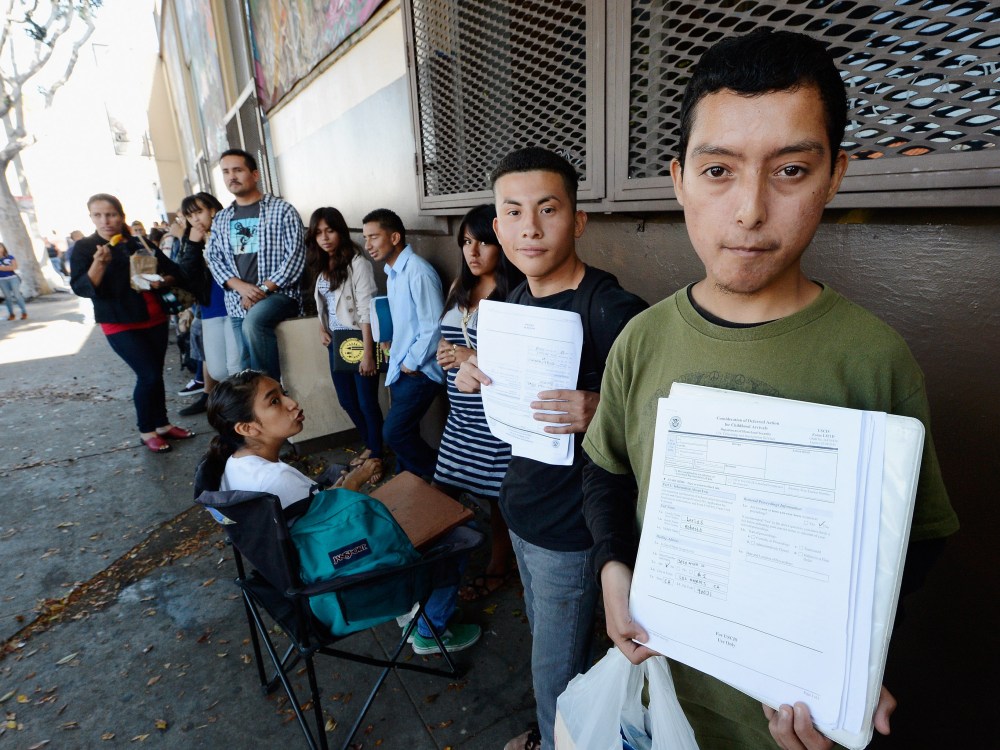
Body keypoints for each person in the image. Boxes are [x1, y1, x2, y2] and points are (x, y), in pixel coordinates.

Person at [580, 29, 961, 750]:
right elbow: (606, 466)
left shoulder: (873, 361)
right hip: (664, 692)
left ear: (835, 176)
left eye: (789, 170)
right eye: (719, 170)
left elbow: (920, 539)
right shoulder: (643, 340)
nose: (750, 209)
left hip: (787, 724)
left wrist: (851, 659)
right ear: (679, 178)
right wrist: (611, 565)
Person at [454, 148, 648, 750]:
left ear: (579, 220)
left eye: (547, 209)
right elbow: (512, 404)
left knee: (555, 675)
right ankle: (565, 736)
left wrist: (597, 409)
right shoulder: (510, 307)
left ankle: (555, 739)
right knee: (552, 649)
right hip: (521, 511)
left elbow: (664, 425)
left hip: (572, 531)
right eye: (511, 213)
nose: (529, 228)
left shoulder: (615, 313)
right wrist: (472, 371)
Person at [201, 369, 481, 655]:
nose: (291, 403)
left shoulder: (231, 467)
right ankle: (429, 630)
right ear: (246, 428)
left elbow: (319, 510)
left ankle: (415, 611)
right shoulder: (275, 480)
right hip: (336, 587)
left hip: (293, 581)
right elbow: (336, 514)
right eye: (274, 401)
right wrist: (356, 479)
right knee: (459, 536)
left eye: (283, 393)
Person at [432, 204, 524, 600]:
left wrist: (470, 357)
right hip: (460, 420)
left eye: (484, 241)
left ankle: (499, 567)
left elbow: (522, 364)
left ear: (502, 243)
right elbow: (449, 336)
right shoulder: (460, 289)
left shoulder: (515, 295)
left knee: (497, 499)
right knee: (443, 489)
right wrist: (444, 351)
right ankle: (434, 570)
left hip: (494, 419)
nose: (473, 251)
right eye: (467, 241)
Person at [69, 193, 195, 453]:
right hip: (119, 323)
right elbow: (82, 287)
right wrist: (98, 264)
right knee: (147, 375)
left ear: (121, 216)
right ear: (91, 217)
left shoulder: (138, 241)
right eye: (98, 215)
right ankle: (146, 430)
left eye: (111, 214)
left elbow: (173, 270)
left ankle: (162, 424)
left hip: (154, 317)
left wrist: (163, 281)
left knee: (155, 374)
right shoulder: (85, 248)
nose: (105, 220)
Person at [207, 148, 305, 380]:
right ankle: (258, 410)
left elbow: (295, 258)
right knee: (243, 365)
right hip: (236, 301)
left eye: (238, 170)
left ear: (255, 174)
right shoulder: (222, 218)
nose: (232, 176)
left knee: (254, 323)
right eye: (226, 172)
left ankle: (271, 389)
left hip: (279, 295)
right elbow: (214, 258)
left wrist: (260, 291)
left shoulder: (282, 210)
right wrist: (241, 288)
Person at [362, 208, 444, 479]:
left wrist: (410, 362)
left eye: (374, 237)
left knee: (394, 433)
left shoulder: (418, 271)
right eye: (365, 238)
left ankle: (443, 478)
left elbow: (433, 326)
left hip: (419, 370)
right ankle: (409, 481)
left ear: (395, 237)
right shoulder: (394, 272)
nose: (368, 245)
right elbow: (408, 319)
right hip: (401, 364)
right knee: (404, 432)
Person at [307, 207, 385, 484]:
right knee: (347, 401)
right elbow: (326, 304)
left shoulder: (357, 263)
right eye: (319, 232)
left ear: (340, 230)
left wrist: (368, 353)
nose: (325, 237)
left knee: (366, 402)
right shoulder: (322, 263)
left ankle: (376, 455)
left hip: (358, 341)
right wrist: (322, 328)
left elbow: (366, 309)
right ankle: (372, 444)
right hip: (336, 343)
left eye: (330, 230)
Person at [177, 192, 242, 416]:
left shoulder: (229, 231)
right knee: (217, 368)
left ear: (213, 210)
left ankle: (240, 413)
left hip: (236, 307)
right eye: (189, 215)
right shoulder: (192, 241)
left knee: (236, 367)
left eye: (198, 212)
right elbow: (185, 275)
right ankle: (234, 407)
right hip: (210, 309)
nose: (194, 219)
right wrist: (194, 243)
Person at [0, 242, 28, 320]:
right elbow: (10, 267)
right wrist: (8, 267)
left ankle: (24, 312)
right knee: (7, 297)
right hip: (1, 280)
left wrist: (2, 268)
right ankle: (11, 314)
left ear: (3, 248)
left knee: (17, 295)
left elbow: (14, 267)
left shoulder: (10, 257)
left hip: (13, 278)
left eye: (0, 247)